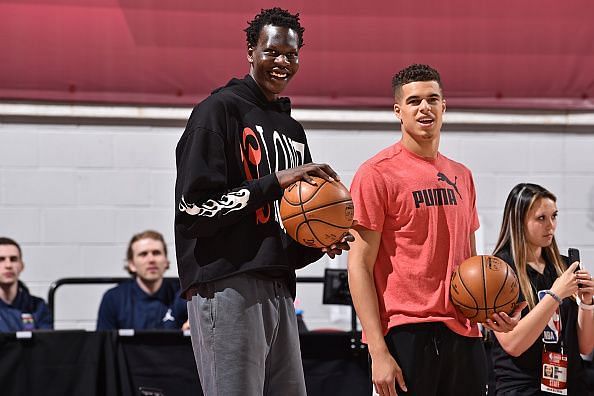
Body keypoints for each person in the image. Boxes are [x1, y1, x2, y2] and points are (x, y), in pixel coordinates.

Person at [174, 7, 351, 396]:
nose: (282, 62)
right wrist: (275, 181)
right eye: (272, 52)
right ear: (251, 51)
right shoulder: (217, 111)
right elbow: (193, 211)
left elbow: (280, 229)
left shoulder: (291, 128)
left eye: (291, 54)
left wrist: (318, 241)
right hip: (227, 283)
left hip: (278, 286)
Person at [347, 63, 523, 396]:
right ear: (398, 111)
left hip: (464, 334)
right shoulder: (376, 173)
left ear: (444, 106)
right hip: (404, 332)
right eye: (414, 101)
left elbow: (470, 263)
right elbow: (358, 265)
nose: (424, 107)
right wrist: (377, 351)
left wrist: (490, 309)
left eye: (432, 99)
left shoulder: (462, 175)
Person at [490, 183, 594, 395]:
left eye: (554, 216)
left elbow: (585, 347)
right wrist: (555, 295)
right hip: (522, 387)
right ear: (519, 221)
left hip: (572, 385)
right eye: (541, 218)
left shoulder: (565, 266)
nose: (551, 226)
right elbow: (513, 344)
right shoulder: (497, 271)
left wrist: (587, 303)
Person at [96, 230, 188, 330]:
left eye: (156, 253)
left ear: (166, 261)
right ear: (131, 264)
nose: (151, 260)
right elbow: (105, 343)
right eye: (143, 254)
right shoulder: (114, 299)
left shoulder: (183, 294)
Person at [0, 237, 52, 332]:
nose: (8, 265)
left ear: (22, 266)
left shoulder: (38, 307)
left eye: (13, 259)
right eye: (1, 259)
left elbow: (46, 344)